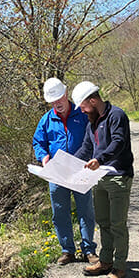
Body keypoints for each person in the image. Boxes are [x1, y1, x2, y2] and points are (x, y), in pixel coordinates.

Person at [71, 81, 134, 278]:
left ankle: (120, 267)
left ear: (92, 99)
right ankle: (105, 261)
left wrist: (101, 159)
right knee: (104, 222)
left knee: (117, 224)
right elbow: (86, 148)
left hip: (118, 176)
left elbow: (119, 142)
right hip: (99, 178)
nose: (80, 109)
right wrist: (67, 165)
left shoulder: (117, 115)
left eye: (82, 105)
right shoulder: (92, 122)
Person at [32, 77, 98, 265]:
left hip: (82, 170)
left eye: (59, 99)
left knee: (86, 211)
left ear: (66, 93)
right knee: (60, 212)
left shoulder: (83, 113)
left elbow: (96, 135)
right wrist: (43, 157)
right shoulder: (46, 120)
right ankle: (67, 250)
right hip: (57, 173)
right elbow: (38, 142)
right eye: (53, 101)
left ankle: (89, 250)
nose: (57, 103)